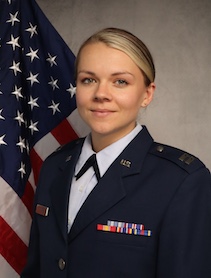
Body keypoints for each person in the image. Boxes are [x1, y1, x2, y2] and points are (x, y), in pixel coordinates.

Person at [21, 27, 211, 278]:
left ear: (146, 94)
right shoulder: (55, 166)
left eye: (120, 81)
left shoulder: (182, 181)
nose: (101, 94)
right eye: (88, 80)